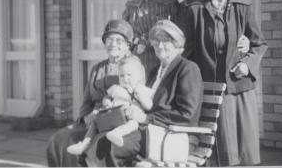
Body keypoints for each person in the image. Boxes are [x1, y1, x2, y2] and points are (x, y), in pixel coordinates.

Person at [178, 0, 268, 166]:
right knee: (214, 154)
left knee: (243, 152)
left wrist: (246, 64)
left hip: (239, 89)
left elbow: (259, 44)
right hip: (208, 88)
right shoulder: (194, 9)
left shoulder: (243, 7)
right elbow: (184, 50)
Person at [82, 20, 203, 167]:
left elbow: (186, 114)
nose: (160, 45)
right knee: (101, 138)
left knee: (106, 144)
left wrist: (146, 118)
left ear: (177, 45)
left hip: (175, 136)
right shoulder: (155, 72)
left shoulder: (187, 69)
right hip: (151, 132)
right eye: (156, 41)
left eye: (166, 41)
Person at [46, 19, 134, 167]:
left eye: (119, 41)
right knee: (58, 138)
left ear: (127, 45)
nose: (113, 44)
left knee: (72, 139)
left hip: (117, 123)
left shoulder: (132, 66)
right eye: (109, 40)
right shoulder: (97, 68)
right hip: (92, 121)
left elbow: (133, 98)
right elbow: (87, 100)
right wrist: (85, 118)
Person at [66, 55, 153, 155]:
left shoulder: (142, 89)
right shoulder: (116, 88)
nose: (125, 78)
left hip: (129, 117)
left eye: (129, 75)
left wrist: (140, 96)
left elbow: (149, 106)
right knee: (95, 122)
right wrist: (106, 101)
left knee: (134, 123)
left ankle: (117, 134)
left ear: (138, 76)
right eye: (122, 75)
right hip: (114, 116)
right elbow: (107, 96)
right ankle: (84, 144)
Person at [123, 0, 178, 76]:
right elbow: (124, 35)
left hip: (163, 60)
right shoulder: (131, 6)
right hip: (138, 61)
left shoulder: (169, 4)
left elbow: (175, 35)